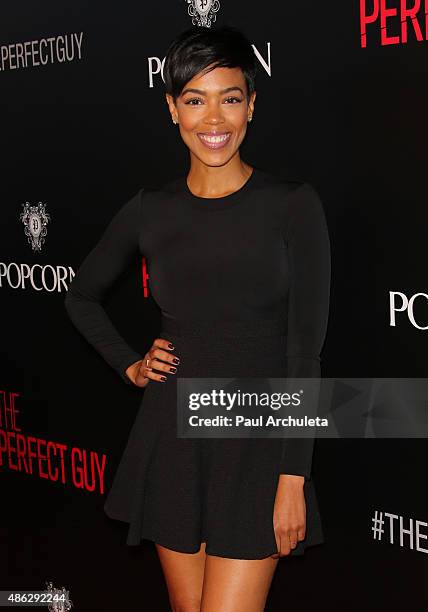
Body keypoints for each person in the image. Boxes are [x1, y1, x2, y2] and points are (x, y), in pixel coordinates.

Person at [64, 24, 331, 612]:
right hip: (174, 437)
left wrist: (292, 479)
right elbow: (80, 297)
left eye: (230, 97)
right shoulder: (150, 210)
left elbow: (304, 353)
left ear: (251, 106)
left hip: (259, 441)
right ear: (172, 109)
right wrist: (131, 365)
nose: (214, 118)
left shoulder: (292, 205)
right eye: (195, 99)